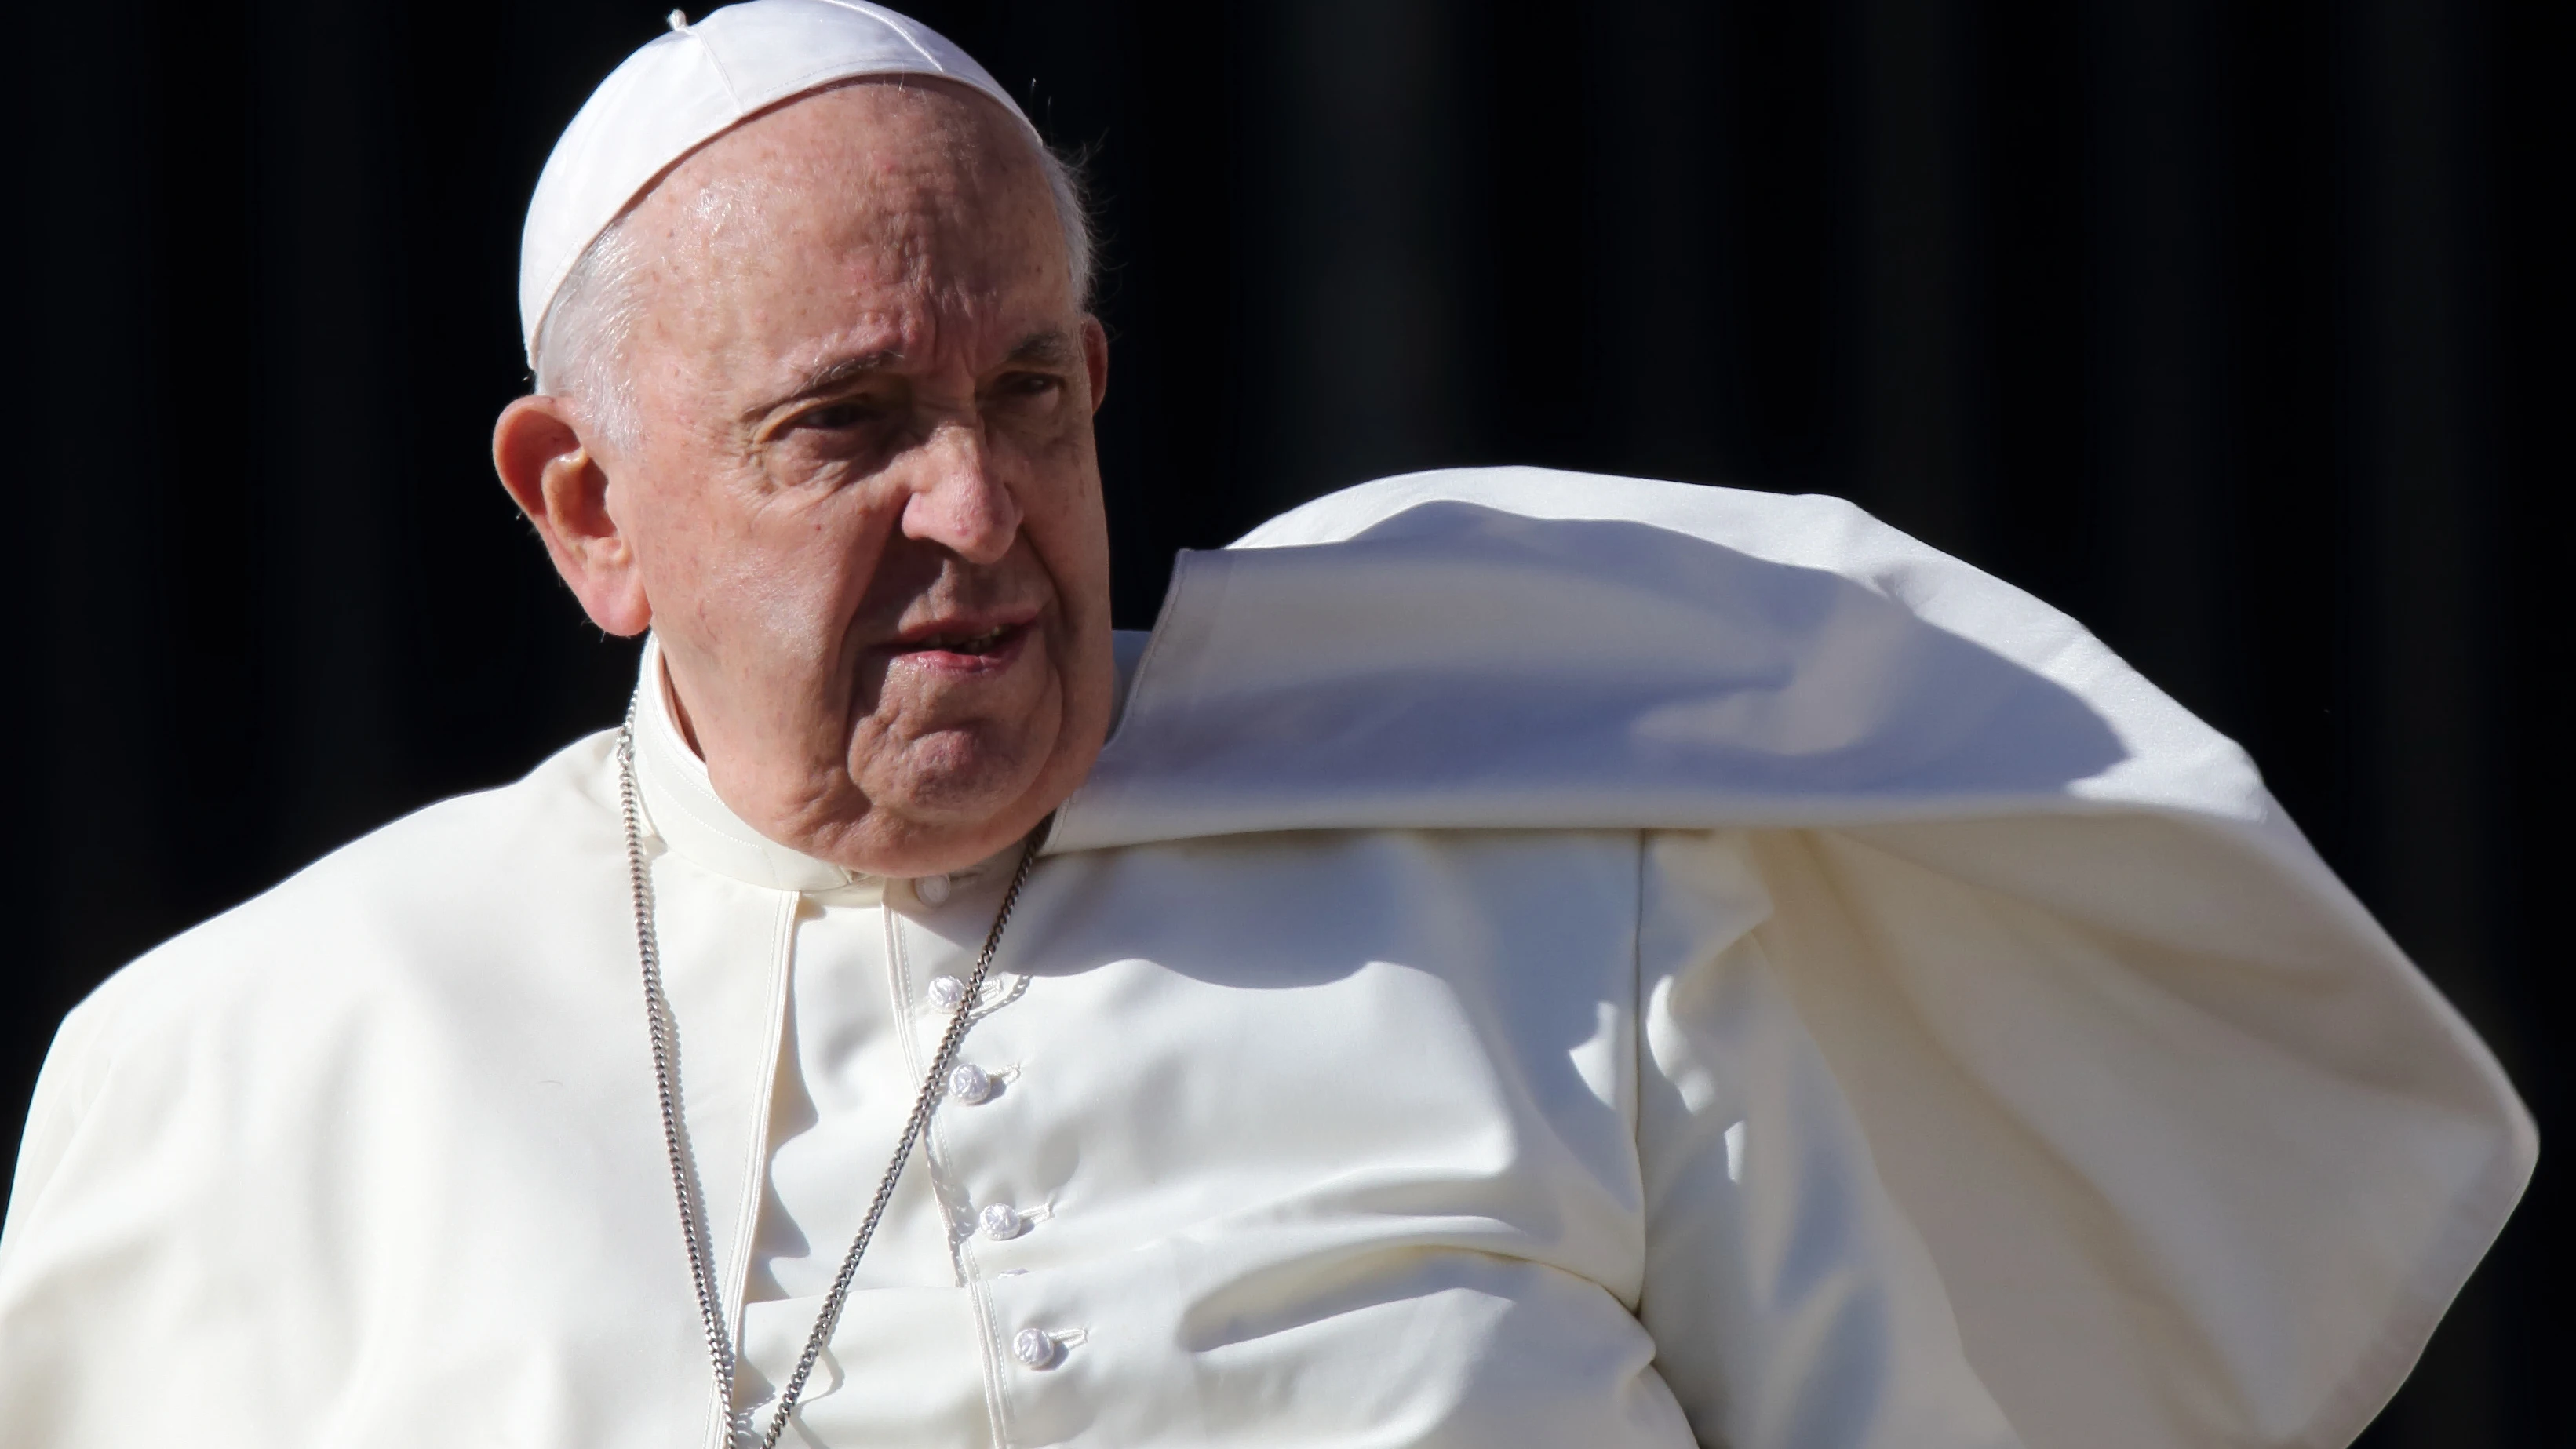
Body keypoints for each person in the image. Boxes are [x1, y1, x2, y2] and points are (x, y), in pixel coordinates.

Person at [0, 5, 2531, 1447]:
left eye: (1030, 391)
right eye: (848, 427)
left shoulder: (1555, 903)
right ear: (586, 508)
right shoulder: (243, 1079)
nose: (984, 509)